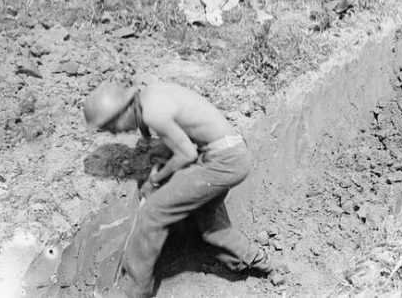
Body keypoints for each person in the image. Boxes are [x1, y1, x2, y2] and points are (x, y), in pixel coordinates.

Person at [83, 82, 280, 297]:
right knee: (209, 224)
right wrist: (161, 155)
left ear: (124, 110)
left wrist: (155, 181)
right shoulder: (150, 97)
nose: (116, 132)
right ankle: (261, 262)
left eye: (113, 126)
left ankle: (132, 291)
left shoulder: (152, 112)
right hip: (230, 154)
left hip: (223, 161)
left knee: (152, 212)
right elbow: (182, 137)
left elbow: (186, 154)